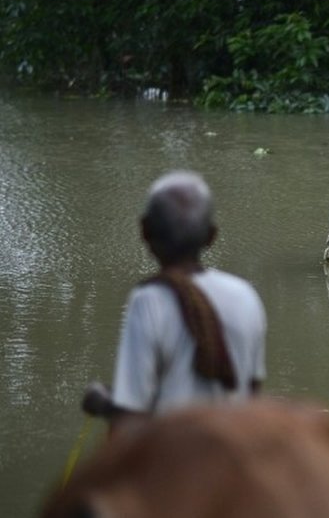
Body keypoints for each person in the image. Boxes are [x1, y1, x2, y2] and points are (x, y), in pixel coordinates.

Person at [84, 171, 266, 430]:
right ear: (212, 236)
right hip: (233, 456)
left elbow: (131, 420)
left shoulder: (148, 300)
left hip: (175, 459)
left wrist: (101, 402)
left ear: (145, 231)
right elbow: (252, 396)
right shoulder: (245, 294)